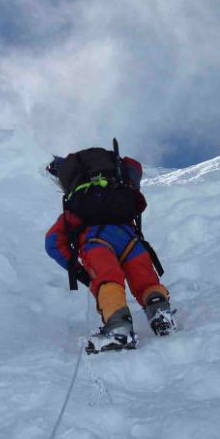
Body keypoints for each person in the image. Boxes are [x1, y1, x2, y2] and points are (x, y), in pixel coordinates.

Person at [44, 143, 176, 353]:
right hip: (129, 238)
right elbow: (134, 165)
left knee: (108, 281)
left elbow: (52, 243)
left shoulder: (76, 208)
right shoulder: (118, 190)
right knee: (145, 282)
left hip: (96, 243)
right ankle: (160, 312)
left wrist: (80, 272)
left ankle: (119, 329)